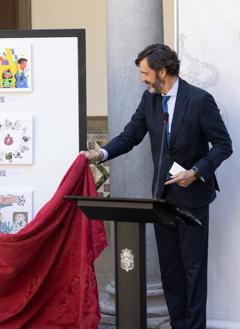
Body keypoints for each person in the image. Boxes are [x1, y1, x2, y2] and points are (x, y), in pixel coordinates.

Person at [84, 44, 232, 329]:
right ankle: (178, 325)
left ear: (162, 71)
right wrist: (100, 154)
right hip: (162, 201)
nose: (142, 78)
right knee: (171, 272)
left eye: (145, 72)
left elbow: (224, 145)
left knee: (193, 270)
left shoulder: (200, 100)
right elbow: (130, 136)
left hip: (194, 200)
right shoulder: (149, 99)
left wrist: (197, 171)